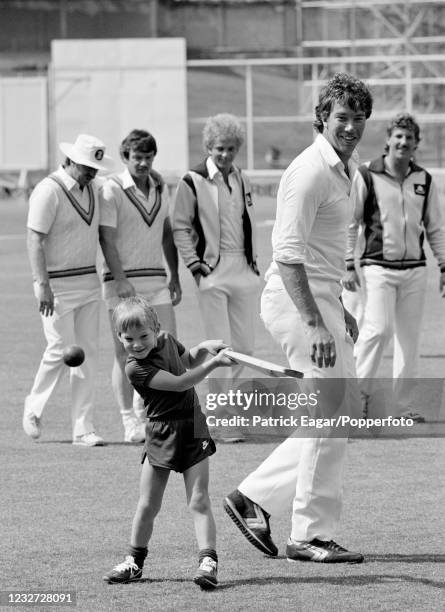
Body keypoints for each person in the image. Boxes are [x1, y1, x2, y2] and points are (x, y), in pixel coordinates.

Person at [223, 73, 373, 562]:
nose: (350, 127)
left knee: (338, 410)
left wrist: (338, 310)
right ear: (322, 119)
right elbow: (287, 257)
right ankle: (307, 535)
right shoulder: (310, 171)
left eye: (358, 118)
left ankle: (256, 499)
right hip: (296, 301)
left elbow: (322, 253)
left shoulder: (344, 170)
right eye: (342, 118)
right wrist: (313, 322)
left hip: (322, 298)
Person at [103, 296, 232, 589]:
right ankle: (134, 562)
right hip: (161, 432)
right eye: (128, 338)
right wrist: (213, 364)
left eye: (143, 336)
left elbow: (187, 361)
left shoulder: (167, 340)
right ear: (119, 337)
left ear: (156, 328)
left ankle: (208, 562)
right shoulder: (134, 368)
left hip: (193, 425)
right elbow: (181, 382)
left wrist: (204, 349)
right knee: (148, 504)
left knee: (199, 499)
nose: (136, 344)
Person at [342, 113, 445, 422]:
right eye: (398, 136)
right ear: (388, 140)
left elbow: (435, 227)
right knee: (377, 330)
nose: (403, 142)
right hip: (377, 268)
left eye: (409, 138)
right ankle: (356, 400)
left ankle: (402, 406)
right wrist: (348, 263)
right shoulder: (366, 175)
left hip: (415, 271)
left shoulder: (424, 180)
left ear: (416, 144)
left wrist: (443, 265)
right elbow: (351, 222)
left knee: (409, 340)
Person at [172, 113, 260, 442]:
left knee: (246, 346)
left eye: (232, 149)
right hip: (213, 271)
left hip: (244, 270)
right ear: (208, 146)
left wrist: (253, 263)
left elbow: (247, 220)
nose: (225, 155)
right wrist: (196, 266)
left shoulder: (242, 178)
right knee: (221, 349)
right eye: (220, 148)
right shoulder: (191, 180)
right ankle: (220, 420)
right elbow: (179, 225)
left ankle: (227, 412)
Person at [23, 134, 111, 446]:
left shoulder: (94, 189)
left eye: (96, 168)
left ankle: (82, 429)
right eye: (88, 166)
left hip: (88, 282)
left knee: (87, 355)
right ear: (71, 160)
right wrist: (42, 284)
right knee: (61, 351)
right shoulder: (49, 190)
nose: (92, 173)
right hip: (56, 285)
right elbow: (34, 239)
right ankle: (33, 408)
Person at [99, 129, 182, 443]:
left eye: (148, 157)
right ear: (125, 158)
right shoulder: (113, 189)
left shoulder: (160, 186)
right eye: (138, 157)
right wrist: (120, 279)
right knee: (125, 353)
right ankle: (128, 420)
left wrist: (174, 275)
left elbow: (166, 233)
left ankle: (147, 409)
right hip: (121, 284)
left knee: (164, 346)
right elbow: (106, 237)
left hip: (157, 279)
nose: (143, 163)